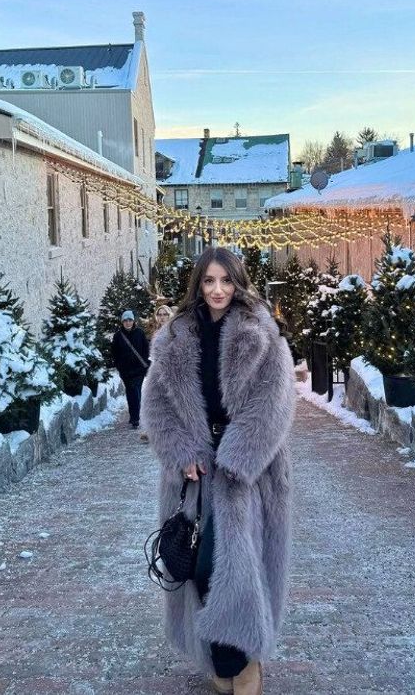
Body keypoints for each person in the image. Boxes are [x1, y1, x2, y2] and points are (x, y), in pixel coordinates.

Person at [141, 247, 296, 695]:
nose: (218, 290)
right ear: (198, 285)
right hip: (192, 478)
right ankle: (218, 660)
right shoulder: (174, 338)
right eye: (209, 281)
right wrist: (181, 451)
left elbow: (276, 405)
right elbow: (156, 404)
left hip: (248, 476)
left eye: (225, 281)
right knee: (198, 567)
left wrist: (237, 458)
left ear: (238, 282)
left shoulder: (260, 334)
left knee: (240, 570)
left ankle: (242, 667)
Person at [111, 310, 150, 439]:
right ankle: (133, 414)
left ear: (133, 321)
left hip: (138, 369)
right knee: (130, 391)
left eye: (130, 320)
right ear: (122, 322)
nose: (128, 322)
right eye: (125, 320)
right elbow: (114, 353)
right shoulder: (118, 336)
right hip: (126, 371)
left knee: (136, 390)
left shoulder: (139, 333)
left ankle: (135, 418)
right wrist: (120, 366)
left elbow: (146, 349)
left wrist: (145, 363)